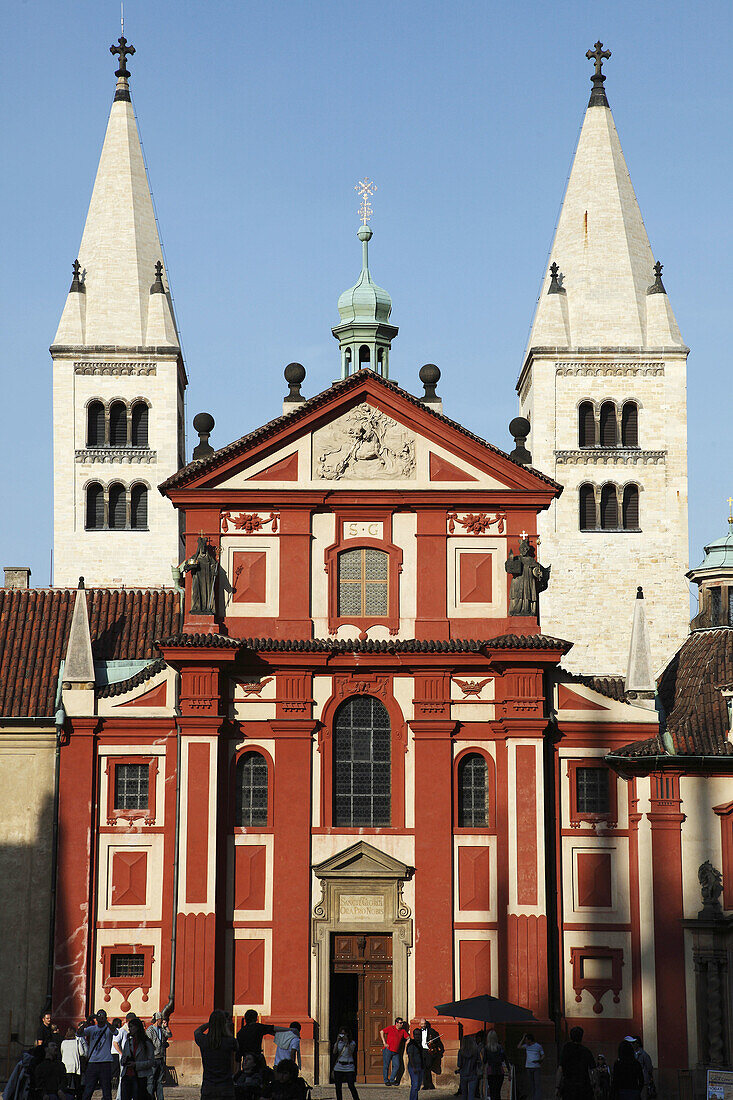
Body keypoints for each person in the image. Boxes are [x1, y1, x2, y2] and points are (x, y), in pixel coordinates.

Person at [194, 1010, 238, 1100]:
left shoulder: (204, 1040)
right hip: (226, 1087)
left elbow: (197, 1031)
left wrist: (210, 1023)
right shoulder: (229, 1042)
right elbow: (236, 1045)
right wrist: (226, 1028)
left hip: (208, 1087)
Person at [81, 1011, 115, 1100]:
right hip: (93, 1062)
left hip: (105, 1062)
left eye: (102, 1017)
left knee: (106, 1090)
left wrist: (107, 1022)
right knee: (89, 1089)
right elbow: (79, 1033)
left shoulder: (108, 1029)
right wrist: (87, 1022)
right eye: (99, 1017)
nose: (100, 1019)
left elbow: (115, 1032)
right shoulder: (92, 1029)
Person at [556, 1027, 595, 1100]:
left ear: (571, 1037)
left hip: (569, 1087)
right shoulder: (586, 1051)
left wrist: (557, 1087)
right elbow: (593, 1070)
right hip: (584, 1087)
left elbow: (560, 1069)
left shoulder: (566, 1050)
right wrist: (595, 1085)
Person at [119, 1019, 154, 1100]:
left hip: (139, 1077)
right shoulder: (128, 1042)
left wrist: (136, 1064)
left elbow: (151, 1062)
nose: (129, 1029)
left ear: (137, 1028)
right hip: (127, 1075)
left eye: (131, 1027)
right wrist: (124, 1061)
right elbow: (123, 1057)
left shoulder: (146, 1043)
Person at [146, 1014, 172, 1100]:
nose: (162, 1021)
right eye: (161, 1020)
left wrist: (166, 1026)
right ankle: (149, 1097)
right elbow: (148, 1043)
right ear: (158, 1019)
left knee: (159, 1081)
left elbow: (169, 1035)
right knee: (151, 1080)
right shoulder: (150, 1030)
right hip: (153, 1057)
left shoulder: (161, 1029)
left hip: (160, 1057)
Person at [379, 1017, 410, 1086]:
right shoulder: (391, 1028)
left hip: (396, 1051)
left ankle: (392, 1079)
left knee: (397, 1066)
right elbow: (382, 1032)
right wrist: (384, 1043)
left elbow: (408, 1037)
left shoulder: (402, 1031)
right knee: (386, 1066)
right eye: (400, 1023)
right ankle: (386, 1080)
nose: (402, 1024)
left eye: (402, 1023)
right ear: (396, 1023)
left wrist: (407, 1042)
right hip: (388, 1050)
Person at [332, 1028, 359, 1100]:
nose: (343, 1035)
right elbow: (334, 1052)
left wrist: (347, 1042)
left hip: (349, 1066)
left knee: (351, 1086)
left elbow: (351, 1052)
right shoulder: (339, 1043)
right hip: (339, 1066)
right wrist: (337, 1041)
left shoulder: (352, 1043)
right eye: (341, 1034)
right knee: (338, 1087)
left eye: (344, 1034)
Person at [482, 1031, 510, 1100]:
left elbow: (484, 1061)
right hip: (500, 1071)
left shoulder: (486, 1048)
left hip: (491, 1071)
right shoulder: (500, 1047)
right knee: (498, 1092)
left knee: (492, 1091)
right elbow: (505, 1059)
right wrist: (509, 1070)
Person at [417, 1019, 443, 1090]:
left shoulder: (431, 1031)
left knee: (428, 1067)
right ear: (419, 1024)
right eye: (422, 1024)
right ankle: (428, 1084)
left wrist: (433, 1042)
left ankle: (428, 1084)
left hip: (429, 1051)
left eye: (424, 1024)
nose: (423, 1025)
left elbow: (438, 1041)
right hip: (422, 1051)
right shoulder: (418, 1032)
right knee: (425, 1068)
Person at [519, 1032, 544, 1100]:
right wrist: (523, 1038)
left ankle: (537, 1098)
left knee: (537, 1084)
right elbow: (519, 1046)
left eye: (526, 1040)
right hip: (528, 1067)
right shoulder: (526, 1046)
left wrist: (540, 1060)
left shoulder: (538, 1046)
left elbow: (543, 1055)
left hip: (536, 1067)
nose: (525, 1041)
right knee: (531, 1084)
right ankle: (533, 1097)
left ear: (530, 1040)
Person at [60, 1028, 84, 1100]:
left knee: (66, 1084)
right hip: (75, 1065)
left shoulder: (63, 1042)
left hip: (66, 1065)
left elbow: (62, 1052)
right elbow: (82, 1053)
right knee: (77, 1085)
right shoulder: (77, 1042)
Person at [456, 1036, 481, 1100]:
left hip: (463, 1074)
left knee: (464, 1095)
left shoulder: (461, 1052)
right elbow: (479, 1062)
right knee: (471, 1095)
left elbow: (459, 1064)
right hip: (473, 1074)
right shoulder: (476, 1051)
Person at [406, 1030, 425, 1100]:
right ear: (413, 1035)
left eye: (419, 1035)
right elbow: (410, 1056)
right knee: (415, 1085)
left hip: (420, 1066)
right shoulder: (412, 1044)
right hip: (413, 1066)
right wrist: (413, 1067)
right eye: (416, 1035)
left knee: (418, 1085)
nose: (418, 1036)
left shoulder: (420, 1044)